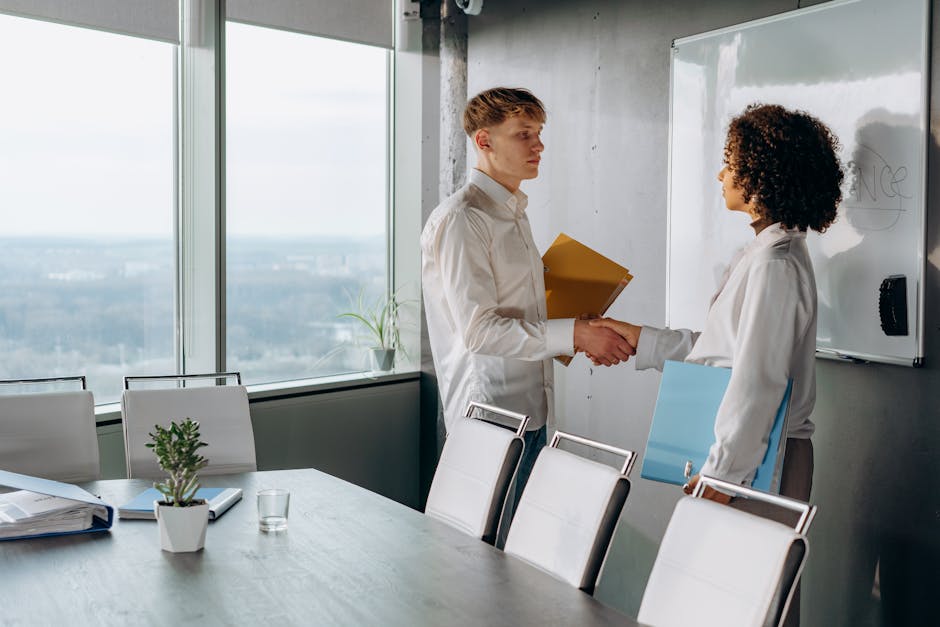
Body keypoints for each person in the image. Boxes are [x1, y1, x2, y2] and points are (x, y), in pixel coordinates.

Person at [593, 103, 843, 509]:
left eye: (730, 164)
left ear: (762, 175)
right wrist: (644, 340)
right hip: (749, 457)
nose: (721, 175)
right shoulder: (766, 254)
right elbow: (726, 351)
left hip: (759, 463)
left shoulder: (775, 264)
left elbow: (757, 381)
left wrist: (723, 474)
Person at [421, 87, 634, 530]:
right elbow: (479, 332)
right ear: (484, 141)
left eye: (538, 134)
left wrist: (579, 320)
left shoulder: (513, 212)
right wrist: (575, 333)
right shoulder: (463, 218)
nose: (539, 146)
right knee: (482, 560)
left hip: (531, 409)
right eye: (523, 134)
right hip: (490, 414)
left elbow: (518, 311)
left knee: (513, 554)